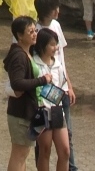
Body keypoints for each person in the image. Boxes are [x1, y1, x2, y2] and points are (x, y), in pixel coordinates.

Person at [33, 0, 77, 171]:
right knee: (44, 147)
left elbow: (61, 60)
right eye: (54, 9)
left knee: (66, 142)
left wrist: (69, 86)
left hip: (60, 94)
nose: (57, 11)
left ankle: (73, 168)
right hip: (44, 102)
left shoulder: (56, 26)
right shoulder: (35, 32)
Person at [31, 27, 72, 171]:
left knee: (65, 151)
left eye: (56, 44)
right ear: (42, 46)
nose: (56, 48)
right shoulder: (34, 64)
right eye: (52, 44)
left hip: (57, 111)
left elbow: (63, 86)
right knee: (45, 150)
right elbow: (37, 89)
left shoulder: (58, 65)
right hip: (42, 112)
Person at [3, 15, 40, 171]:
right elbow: (17, 83)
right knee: (19, 155)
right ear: (19, 35)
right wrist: (42, 80)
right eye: (30, 31)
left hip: (26, 111)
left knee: (23, 154)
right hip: (20, 113)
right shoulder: (19, 56)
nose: (34, 34)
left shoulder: (26, 52)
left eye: (35, 30)